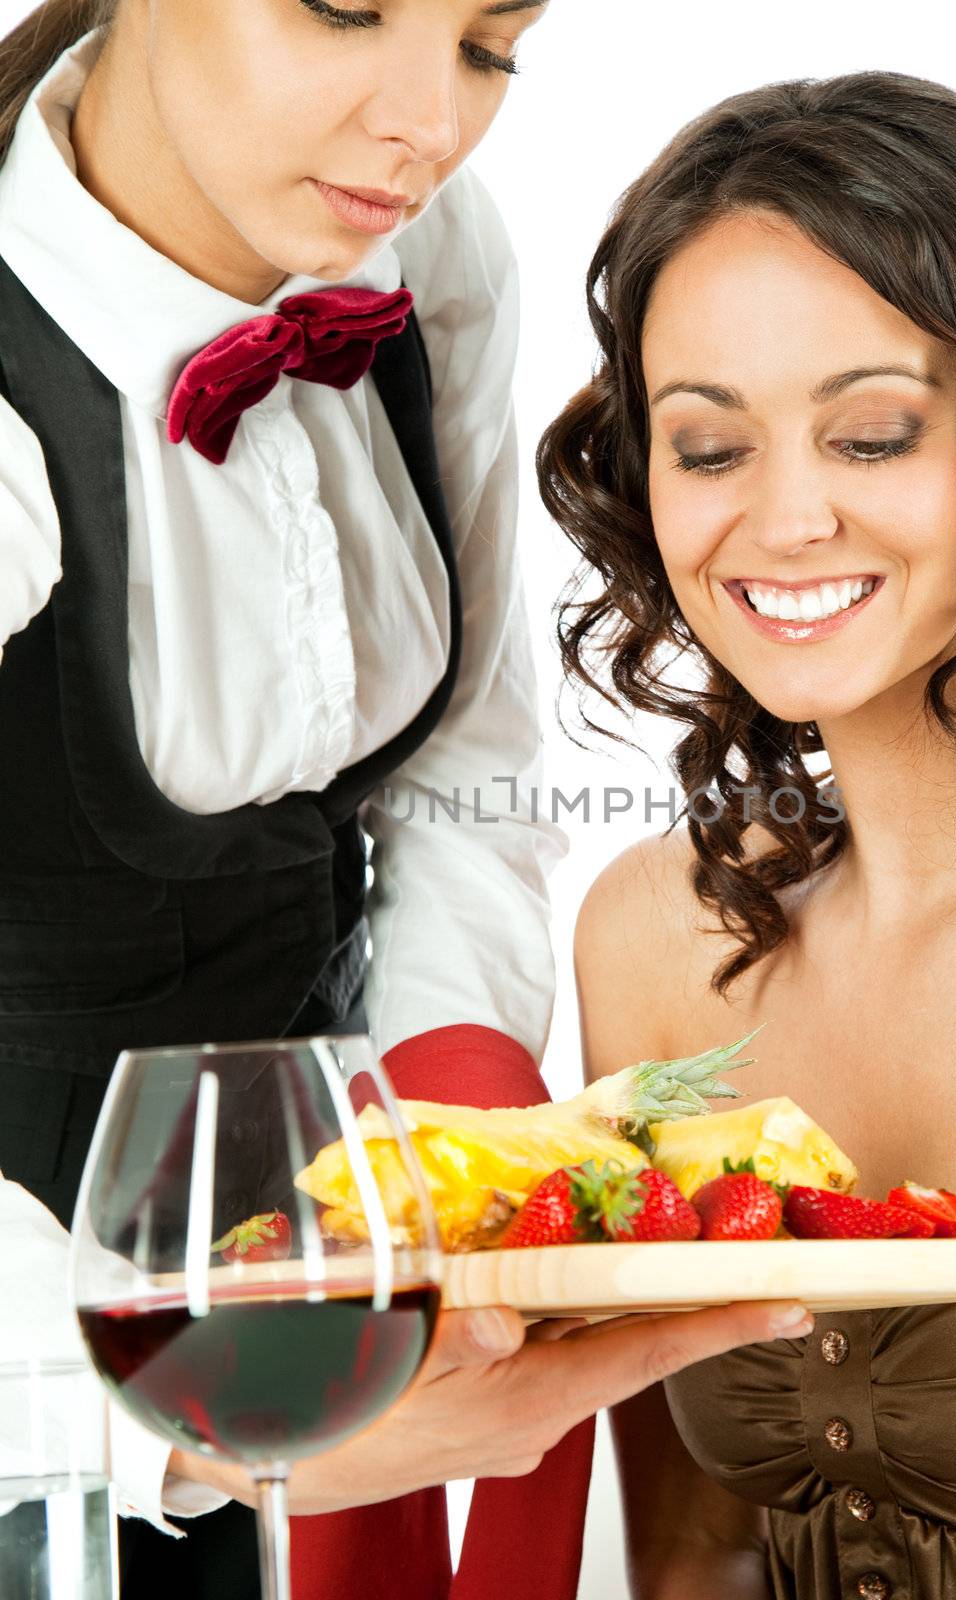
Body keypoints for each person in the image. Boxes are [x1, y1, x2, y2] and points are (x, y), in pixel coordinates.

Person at [0, 5, 815, 1598]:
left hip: (295, 1288)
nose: (428, 124)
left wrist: (452, 1126)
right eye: (346, 7)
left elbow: (462, 766)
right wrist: (166, 1422)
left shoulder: (427, 252)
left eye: (490, 43)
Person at [538, 73, 956, 1600]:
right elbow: (687, 1560)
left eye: (869, 436)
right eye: (708, 448)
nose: (780, 521)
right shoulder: (655, 947)